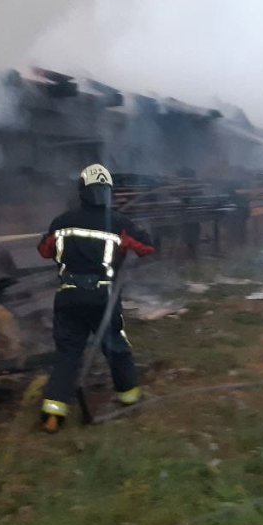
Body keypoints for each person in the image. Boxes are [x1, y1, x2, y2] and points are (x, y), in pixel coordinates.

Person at [36, 164, 155, 433]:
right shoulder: (118, 223)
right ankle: (129, 398)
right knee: (116, 347)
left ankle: (52, 415)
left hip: (68, 297)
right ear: (107, 192)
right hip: (103, 299)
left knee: (68, 354)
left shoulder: (62, 222)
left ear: (82, 192)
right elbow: (147, 248)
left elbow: (44, 250)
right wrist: (137, 233)